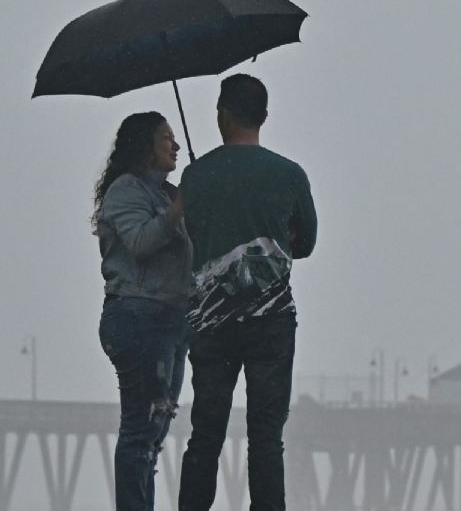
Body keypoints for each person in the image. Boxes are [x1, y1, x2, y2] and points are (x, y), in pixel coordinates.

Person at [177, 74, 317, 511]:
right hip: (271, 321)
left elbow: (188, 236)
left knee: (206, 434)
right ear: (265, 116)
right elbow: (307, 243)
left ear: (222, 113)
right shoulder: (289, 174)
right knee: (266, 435)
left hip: (211, 323)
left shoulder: (196, 175)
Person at [93, 112, 194, 511]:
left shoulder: (170, 194)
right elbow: (138, 241)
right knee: (139, 429)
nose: (176, 146)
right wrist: (178, 210)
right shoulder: (126, 190)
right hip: (136, 317)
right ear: (145, 147)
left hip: (170, 322)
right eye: (167, 139)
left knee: (155, 430)